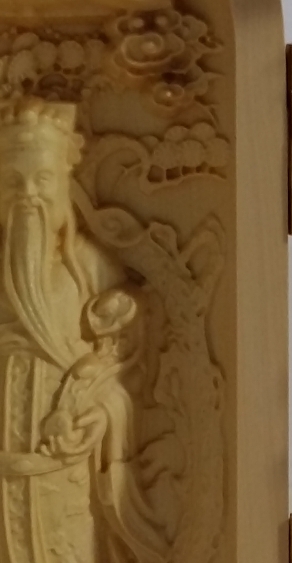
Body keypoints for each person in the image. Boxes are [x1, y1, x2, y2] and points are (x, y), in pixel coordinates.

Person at [0, 98, 166, 563]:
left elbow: (125, 370)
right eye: (12, 181)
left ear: (63, 185)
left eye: (42, 179)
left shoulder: (91, 270)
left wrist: (101, 415)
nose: (27, 195)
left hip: (64, 479)